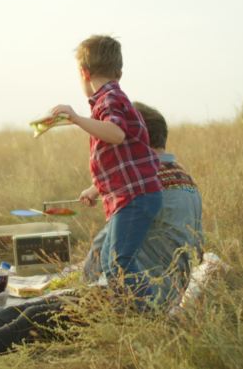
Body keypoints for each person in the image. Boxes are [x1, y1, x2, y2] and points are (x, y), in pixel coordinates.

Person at [50, 35, 163, 298]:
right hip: (132, 195)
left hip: (135, 198)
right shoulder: (112, 99)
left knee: (119, 265)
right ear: (119, 71)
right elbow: (124, 162)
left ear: (84, 72)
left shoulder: (109, 99)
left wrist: (77, 119)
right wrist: (95, 189)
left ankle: (157, 310)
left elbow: (116, 133)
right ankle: (140, 311)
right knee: (113, 264)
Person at [83, 101, 204, 305]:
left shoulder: (143, 187)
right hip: (172, 292)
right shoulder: (183, 177)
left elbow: (102, 249)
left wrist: (80, 289)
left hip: (138, 298)